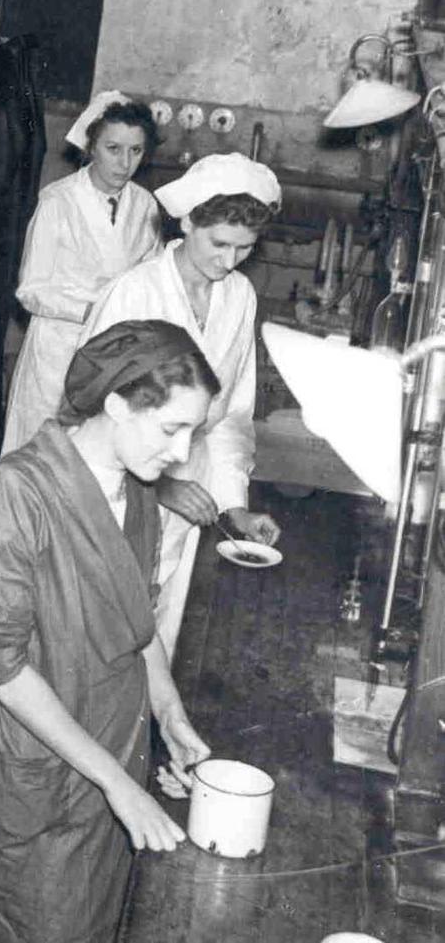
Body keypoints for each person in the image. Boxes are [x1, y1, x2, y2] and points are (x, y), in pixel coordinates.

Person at [0, 319, 216, 943]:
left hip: (114, 750)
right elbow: (7, 674)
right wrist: (118, 784)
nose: (181, 454)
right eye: (172, 428)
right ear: (118, 403)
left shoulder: (138, 487)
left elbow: (139, 618)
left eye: (193, 433)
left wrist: (170, 715)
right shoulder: (15, 492)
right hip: (39, 773)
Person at [83, 152, 284, 658]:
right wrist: (161, 486)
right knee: (96, 632)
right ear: (188, 220)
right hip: (113, 495)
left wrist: (233, 502)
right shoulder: (133, 293)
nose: (229, 260)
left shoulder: (238, 297)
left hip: (191, 485)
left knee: (156, 632)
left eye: (245, 248)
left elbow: (232, 413)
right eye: (219, 243)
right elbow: (86, 412)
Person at [1, 92, 162, 453]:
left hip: (117, 353)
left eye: (135, 151)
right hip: (59, 350)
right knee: (41, 455)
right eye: (113, 148)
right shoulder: (58, 201)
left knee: (95, 457)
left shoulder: (145, 204)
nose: (124, 163)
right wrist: (93, 309)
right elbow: (31, 289)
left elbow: (153, 276)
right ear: (91, 147)